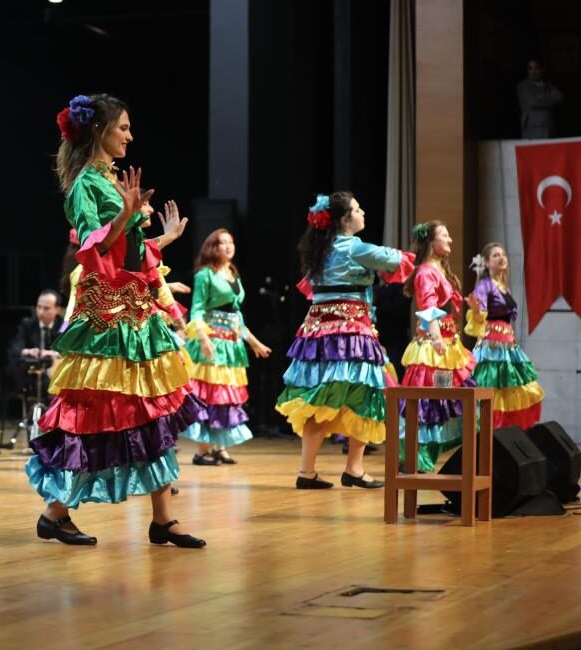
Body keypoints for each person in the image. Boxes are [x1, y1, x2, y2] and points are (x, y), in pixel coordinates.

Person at [27, 93, 203, 548]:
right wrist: (127, 214)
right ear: (99, 131)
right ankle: (56, 512)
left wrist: (161, 236)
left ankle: (163, 518)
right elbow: (91, 246)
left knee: (153, 406)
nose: (129, 134)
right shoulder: (87, 183)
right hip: (106, 316)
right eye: (122, 127)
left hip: (135, 310)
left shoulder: (111, 180)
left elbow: (129, 251)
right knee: (101, 414)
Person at [276, 193, 413, 489]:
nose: (363, 212)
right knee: (365, 395)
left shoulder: (319, 249)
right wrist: (424, 257)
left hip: (320, 331)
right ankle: (352, 467)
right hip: (349, 332)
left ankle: (309, 470)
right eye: (357, 209)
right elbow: (395, 260)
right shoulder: (354, 247)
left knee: (324, 399)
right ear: (344, 219)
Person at [181, 229, 271, 466]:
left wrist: (253, 342)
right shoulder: (205, 275)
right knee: (208, 395)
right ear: (213, 248)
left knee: (226, 397)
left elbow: (236, 315)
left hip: (231, 345)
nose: (229, 246)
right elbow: (197, 309)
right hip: (211, 341)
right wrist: (202, 338)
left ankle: (219, 447)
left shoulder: (232, 273)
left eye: (231, 242)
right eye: (222, 243)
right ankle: (201, 451)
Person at [399, 221, 477, 473]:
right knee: (428, 403)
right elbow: (428, 307)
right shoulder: (425, 272)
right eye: (445, 235)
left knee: (451, 401)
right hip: (434, 347)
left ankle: (425, 458)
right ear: (431, 242)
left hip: (447, 344)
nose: (451, 240)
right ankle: (415, 458)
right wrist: (436, 338)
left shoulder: (440, 269)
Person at [465, 242, 544, 429]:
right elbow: (479, 315)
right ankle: (490, 434)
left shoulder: (503, 286)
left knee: (513, 390)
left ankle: (505, 434)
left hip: (509, 346)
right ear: (486, 262)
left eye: (503, 254)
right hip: (492, 348)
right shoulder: (485, 285)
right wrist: (476, 311)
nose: (501, 257)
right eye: (495, 255)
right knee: (493, 390)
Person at [7, 289, 63, 396]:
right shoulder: (27, 324)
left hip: (55, 375)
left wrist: (52, 353)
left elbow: (70, 350)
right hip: (31, 374)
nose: (41, 312)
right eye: (39, 307)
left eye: (46, 308)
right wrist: (27, 351)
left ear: (57, 309)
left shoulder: (64, 327)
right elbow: (15, 347)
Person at [517, 59, 563, 140]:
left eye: (536, 68)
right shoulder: (523, 86)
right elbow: (533, 102)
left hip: (549, 127)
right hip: (533, 129)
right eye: (530, 68)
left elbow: (559, 97)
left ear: (542, 70)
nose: (533, 71)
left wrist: (542, 97)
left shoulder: (548, 85)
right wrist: (550, 99)